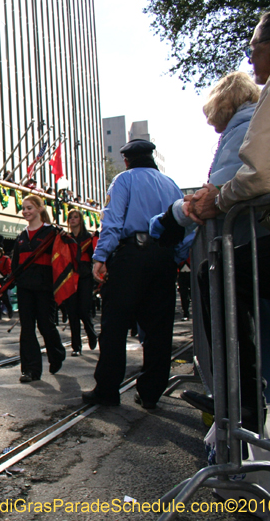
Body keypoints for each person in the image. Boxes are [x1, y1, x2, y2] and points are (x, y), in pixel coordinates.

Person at [178, 6, 270, 428]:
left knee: (219, 274)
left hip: (265, 233)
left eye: (253, 47)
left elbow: (259, 172)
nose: (251, 58)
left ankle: (240, 398)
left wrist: (220, 199)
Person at [82, 139, 183, 409]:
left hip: (130, 257)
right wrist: (176, 256)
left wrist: (101, 257)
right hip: (163, 257)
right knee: (159, 328)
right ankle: (150, 392)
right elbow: (185, 227)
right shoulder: (171, 185)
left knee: (114, 325)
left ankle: (107, 390)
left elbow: (112, 221)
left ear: (127, 160)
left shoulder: (123, 181)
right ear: (151, 157)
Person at [11, 196, 67, 382]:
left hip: (45, 287)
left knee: (46, 325)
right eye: (23, 208)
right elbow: (15, 266)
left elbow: (63, 258)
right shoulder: (21, 237)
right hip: (25, 287)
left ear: (40, 209)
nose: (26, 211)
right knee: (27, 328)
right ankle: (30, 370)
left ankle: (57, 353)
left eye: (29, 208)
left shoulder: (53, 233)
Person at [65, 210, 98, 355]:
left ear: (81, 220)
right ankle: (76, 347)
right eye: (70, 217)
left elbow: (95, 257)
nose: (72, 219)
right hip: (71, 278)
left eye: (75, 217)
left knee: (84, 311)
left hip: (85, 278)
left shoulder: (89, 238)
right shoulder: (66, 238)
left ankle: (91, 334)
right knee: (72, 313)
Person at [0, 245, 13, 321]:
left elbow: (9, 270)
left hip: (3, 280)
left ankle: (10, 310)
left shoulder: (6, 259)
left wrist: (8, 278)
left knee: (4, 297)